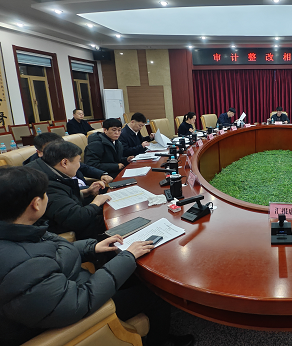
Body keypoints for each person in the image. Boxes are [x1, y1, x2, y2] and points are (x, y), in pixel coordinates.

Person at [0, 166, 195, 346]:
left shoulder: (21, 229)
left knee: (129, 272)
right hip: (74, 310)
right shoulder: (21, 265)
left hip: (65, 287)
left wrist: (92, 247)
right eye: (44, 194)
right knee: (154, 294)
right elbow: (78, 302)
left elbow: (51, 253)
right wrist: (127, 256)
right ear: (35, 204)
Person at [26, 141, 111, 239]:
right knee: (108, 220)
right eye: (78, 161)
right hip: (51, 230)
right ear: (64, 163)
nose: (79, 165)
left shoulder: (43, 167)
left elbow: (61, 199)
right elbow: (76, 219)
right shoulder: (45, 183)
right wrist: (97, 202)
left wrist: (86, 192)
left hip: (61, 217)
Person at [23, 132, 113, 187]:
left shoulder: (64, 156)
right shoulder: (35, 173)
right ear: (39, 152)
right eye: (51, 149)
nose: (59, 151)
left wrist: (101, 174)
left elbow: (83, 167)